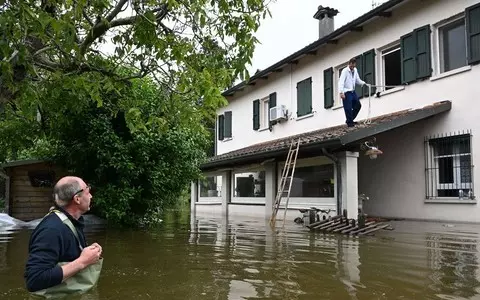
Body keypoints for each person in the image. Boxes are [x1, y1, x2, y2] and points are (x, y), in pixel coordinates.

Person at [24, 176, 103, 297]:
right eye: (88, 192)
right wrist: (82, 262)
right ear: (77, 199)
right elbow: (35, 280)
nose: (91, 196)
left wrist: (88, 254)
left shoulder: (71, 222)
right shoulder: (51, 230)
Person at [338, 57, 371, 127]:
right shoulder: (344, 71)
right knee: (348, 108)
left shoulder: (355, 70)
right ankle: (350, 123)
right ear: (349, 64)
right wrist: (341, 92)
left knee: (358, 105)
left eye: (354, 66)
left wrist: (364, 83)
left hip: (352, 91)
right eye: (351, 66)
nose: (352, 67)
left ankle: (349, 120)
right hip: (346, 92)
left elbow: (357, 80)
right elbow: (341, 82)